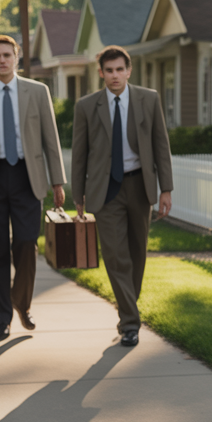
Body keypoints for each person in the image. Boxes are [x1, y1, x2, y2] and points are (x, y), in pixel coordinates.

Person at [0, 35, 66, 340]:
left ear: (17, 57)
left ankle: (21, 301)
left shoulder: (37, 91)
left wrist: (58, 181)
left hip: (27, 177)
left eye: (7, 54)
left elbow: (51, 140)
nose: (2, 60)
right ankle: (2, 317)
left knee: (26, 243)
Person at [71, 46, 173, 347]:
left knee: (137, 254)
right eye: (109, 70)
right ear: (100, 72)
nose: (115, 75)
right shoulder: (86, 106)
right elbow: (80, 154)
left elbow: (160, 146)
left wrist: (165, 188)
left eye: (120, 69)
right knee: (115, 256)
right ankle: (130, 323)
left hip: (139, 186)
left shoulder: (149, 99)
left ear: (129, 71)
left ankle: (128, 309)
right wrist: (78, 193)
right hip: (105, 191)